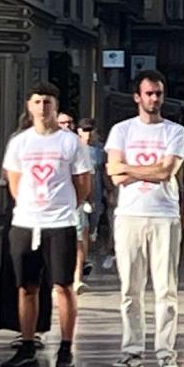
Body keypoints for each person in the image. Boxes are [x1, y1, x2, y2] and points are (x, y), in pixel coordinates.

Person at [0, 83, 92, 367]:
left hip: (60, 222)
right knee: (26, 286)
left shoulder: (70, 142)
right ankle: (27, 344)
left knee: (63, 286)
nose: (42, 107)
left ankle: (66, 348)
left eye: (48, 102)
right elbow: (15, 184)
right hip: (26, 222)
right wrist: (32, 206)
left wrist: (63, 207)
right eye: (37, 101)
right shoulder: (20, 143)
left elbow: (83, 185)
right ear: (29, 106)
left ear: (56, 105)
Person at [105, 71, 184, 367]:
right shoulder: (121, 131)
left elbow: (166, 172)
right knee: (130, 288)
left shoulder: (175, 131)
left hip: (164, 214)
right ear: (137, 97)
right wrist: (144, 170)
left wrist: (129, 168)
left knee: (166, 288)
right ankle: (131, 350)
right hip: (129, 215)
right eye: (149, 93)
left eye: (158, 93)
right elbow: (113, 174)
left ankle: (166, 352)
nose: (154, 99)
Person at [75, 118, 105, 287]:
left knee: (91, 227)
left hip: (96, 193)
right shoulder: (75, 148)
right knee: (82, 230)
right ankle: (80, 265)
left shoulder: (100, 150)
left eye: (90, 130)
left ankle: (83, 260)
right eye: (84, 130)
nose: (87, 133)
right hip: (79, 198)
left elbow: (100, 173)